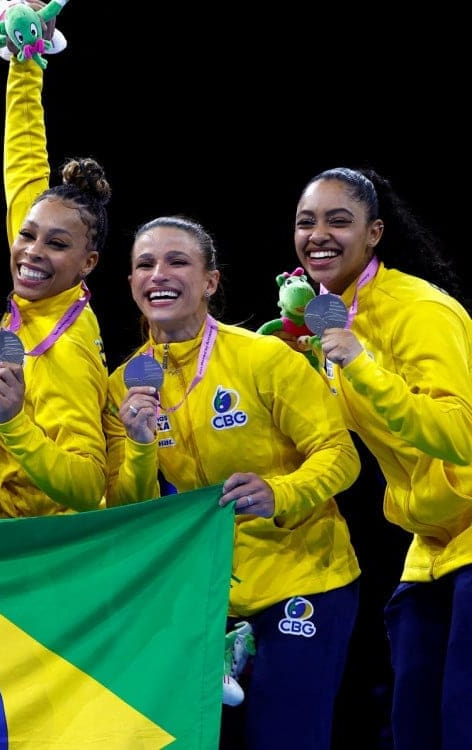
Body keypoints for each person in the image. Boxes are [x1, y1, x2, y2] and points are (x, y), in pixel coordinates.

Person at [104, 215, 362, 748]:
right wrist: (139, 444)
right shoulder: (122, 386)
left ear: (211, 281)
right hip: (207, 600)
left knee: (282, 737)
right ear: (130, 283)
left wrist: (280, 493)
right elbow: (127, 507)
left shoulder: (265, 358)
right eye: (144, 265)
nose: (159, 274)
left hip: (305, 576)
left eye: (178, 261)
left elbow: (340, 455)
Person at [292, 166, 471, 750]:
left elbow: (461, 432)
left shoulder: (419, 309)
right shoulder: (331, 319)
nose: (318, 234)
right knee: (415, 729)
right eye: (306, 222)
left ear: (374, 233)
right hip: (431, 542)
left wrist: (362, 366)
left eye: (338, 221)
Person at [0, 49, 109, 518]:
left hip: (44, 557)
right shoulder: (41, 291)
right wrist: (25, 60)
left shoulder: (67, 351)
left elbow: (89, 483)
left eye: (55, 244)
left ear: (87, 262)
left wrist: (13, 424)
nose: (32, 251)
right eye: (27, 235)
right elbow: (24, 166)